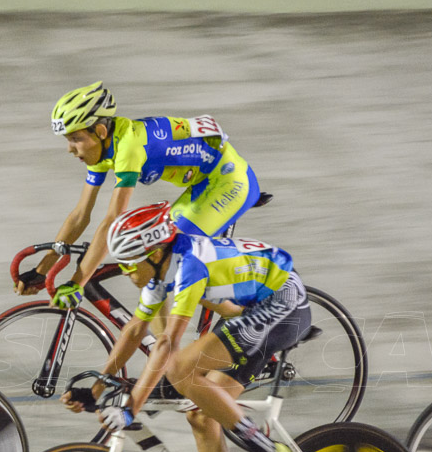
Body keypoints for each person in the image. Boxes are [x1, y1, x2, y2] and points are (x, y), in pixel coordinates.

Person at [61, 202, 311, 452]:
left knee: (180, 370)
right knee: (200, 414)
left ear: (156, 252)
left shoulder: (188, 267)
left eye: (131, 265)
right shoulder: (161, 266)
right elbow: (134, 331)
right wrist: (96, 390)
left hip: (282, 308)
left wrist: (130, 407)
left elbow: (167, 347)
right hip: (252, 310)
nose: (127, 274)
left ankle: (267, 451)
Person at [15, 82, 262, 309]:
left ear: (100, 130)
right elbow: (81, 214)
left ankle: (249, 327)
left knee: (166, 265)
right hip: (205, 183)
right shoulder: (101, 147)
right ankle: (162, 349)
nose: (69, 148)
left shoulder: (129, 147)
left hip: (229, 181)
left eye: (75, 139)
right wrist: (43, 269)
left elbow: (112, 220)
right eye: (68, 139)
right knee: (151, 260)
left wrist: (77, 282)